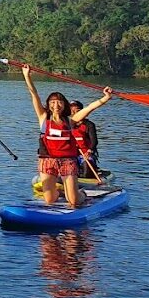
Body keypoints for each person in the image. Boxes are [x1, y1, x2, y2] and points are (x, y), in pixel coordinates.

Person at [22, 66, 113, 207]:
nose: (56, 105)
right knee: (50, 200)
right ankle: (62, 192)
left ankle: (82, 194)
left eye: (59, 102)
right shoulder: (43, 118)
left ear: (64, 105)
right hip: (47, 160)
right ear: (48, 104)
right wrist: (27, 76)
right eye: (52, 102)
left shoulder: (70, 121)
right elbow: (34, 94)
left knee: (74, 201)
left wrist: (105, 98)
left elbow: (90, 108)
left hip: (67, 161)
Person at [68, 100, 102, 175]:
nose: (74, 113)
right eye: (72, 111)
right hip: (70, 154)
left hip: (85, 154)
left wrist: (89, 151)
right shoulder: (65, 124)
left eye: (77, 111)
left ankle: (87, 170)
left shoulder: (89, 125)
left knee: (86, 171)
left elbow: (94, 141)